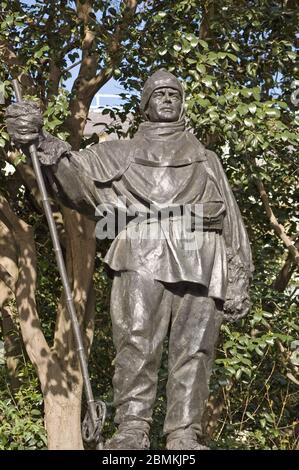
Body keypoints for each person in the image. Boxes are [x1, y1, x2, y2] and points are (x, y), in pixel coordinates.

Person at [5, 69, 253, 450]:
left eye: (174, 93)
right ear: (146, 104)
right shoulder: (119, 153)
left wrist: (239, 276)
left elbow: (232, 221)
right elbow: (75, 175)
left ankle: (184, 433)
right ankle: (132, 429)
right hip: (142, 252)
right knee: (136, 342)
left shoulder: (206, 159)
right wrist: (38, 140)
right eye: (159, 94)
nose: (167, 99)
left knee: (195, 350)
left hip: (203, 257)